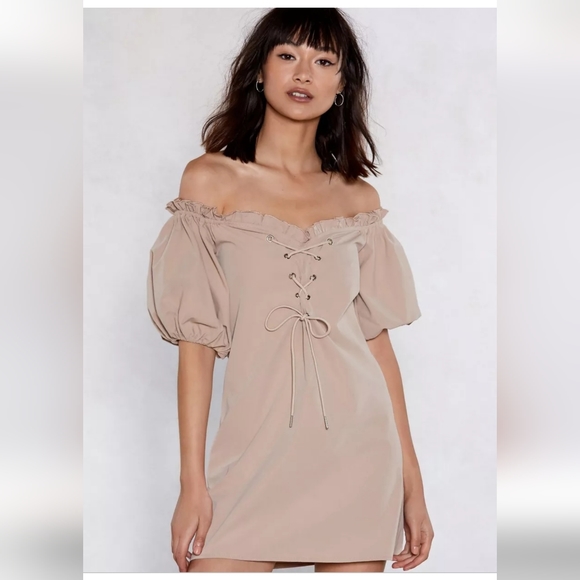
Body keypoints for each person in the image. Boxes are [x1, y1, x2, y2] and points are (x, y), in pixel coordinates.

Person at [147, 7, 434, 574]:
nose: (304, 73)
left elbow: (376, 346)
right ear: (259, 70)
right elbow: (196, 345)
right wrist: (192, 484)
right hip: (251, 455)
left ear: (342, 84)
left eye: (324, 61)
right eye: (287, 55)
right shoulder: (210, 181)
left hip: (358, 454)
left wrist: (413, 485)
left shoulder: (357, 199)